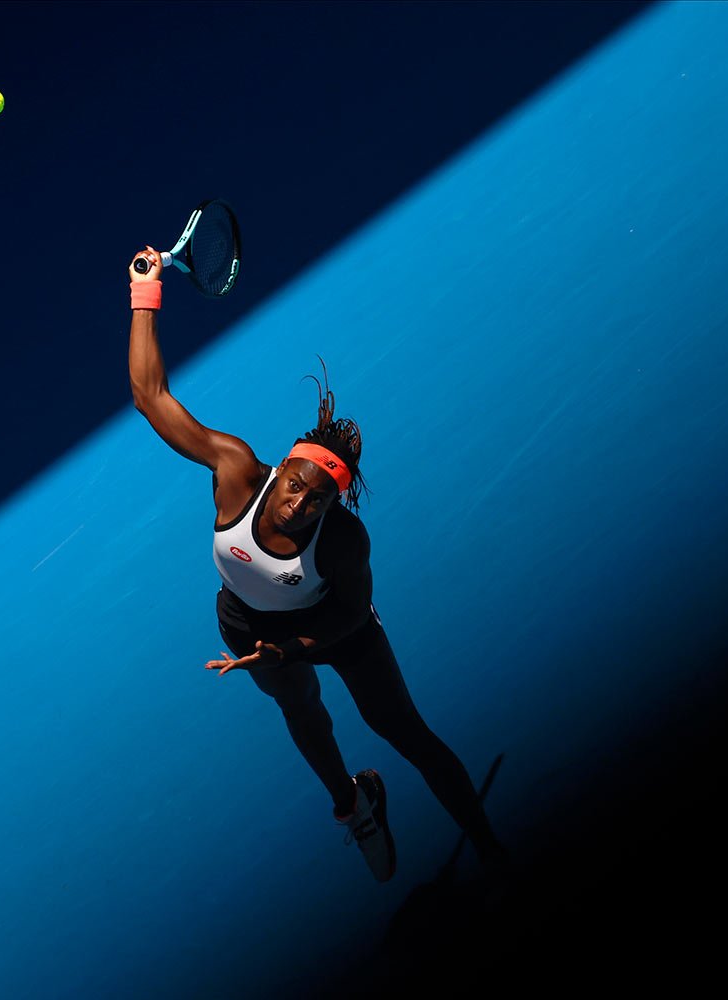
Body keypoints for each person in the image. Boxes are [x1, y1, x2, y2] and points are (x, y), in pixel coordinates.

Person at [126, 245, 504, 882]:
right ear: (281, 470)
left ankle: (491, 849)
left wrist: (290, 647)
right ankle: (354, 804)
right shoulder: (234, 471)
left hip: (337, 628)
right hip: (246, 626)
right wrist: (144, 296)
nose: (300, 503)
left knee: (402, 728)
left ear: (336, 502)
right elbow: (150, 394)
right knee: (301, 711)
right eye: (296, 485)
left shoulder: (344, 541)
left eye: (318, 497)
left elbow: (352, 615)